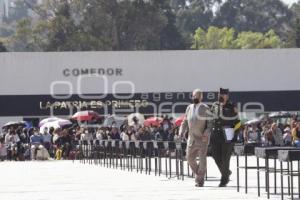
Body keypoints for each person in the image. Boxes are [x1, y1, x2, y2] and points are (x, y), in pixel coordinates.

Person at [179, 89, 212, 187]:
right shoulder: (189, 107)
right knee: (189, 158)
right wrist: (181, 131)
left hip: (202, 138)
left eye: (197, 96)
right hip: (191, 138)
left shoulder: (206, 108)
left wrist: (206, 133)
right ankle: (199, 174)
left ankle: (199, 180)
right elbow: (184, 121)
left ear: (201, 97)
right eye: (194, 96)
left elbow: (210, 124)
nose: (195, 98)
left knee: (202, 160)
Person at [210, 88, 241, 187]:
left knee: (225, 158)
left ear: (227, 96)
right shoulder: (214, 105)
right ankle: (226, 172)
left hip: (227, 134)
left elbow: (238, 122)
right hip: (215, 134)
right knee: (215, 155)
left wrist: (235, 134)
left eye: (223, 94)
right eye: (220, 94)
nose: (221, 96)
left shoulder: (232, 106)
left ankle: (224, 180)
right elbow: (210, 119)